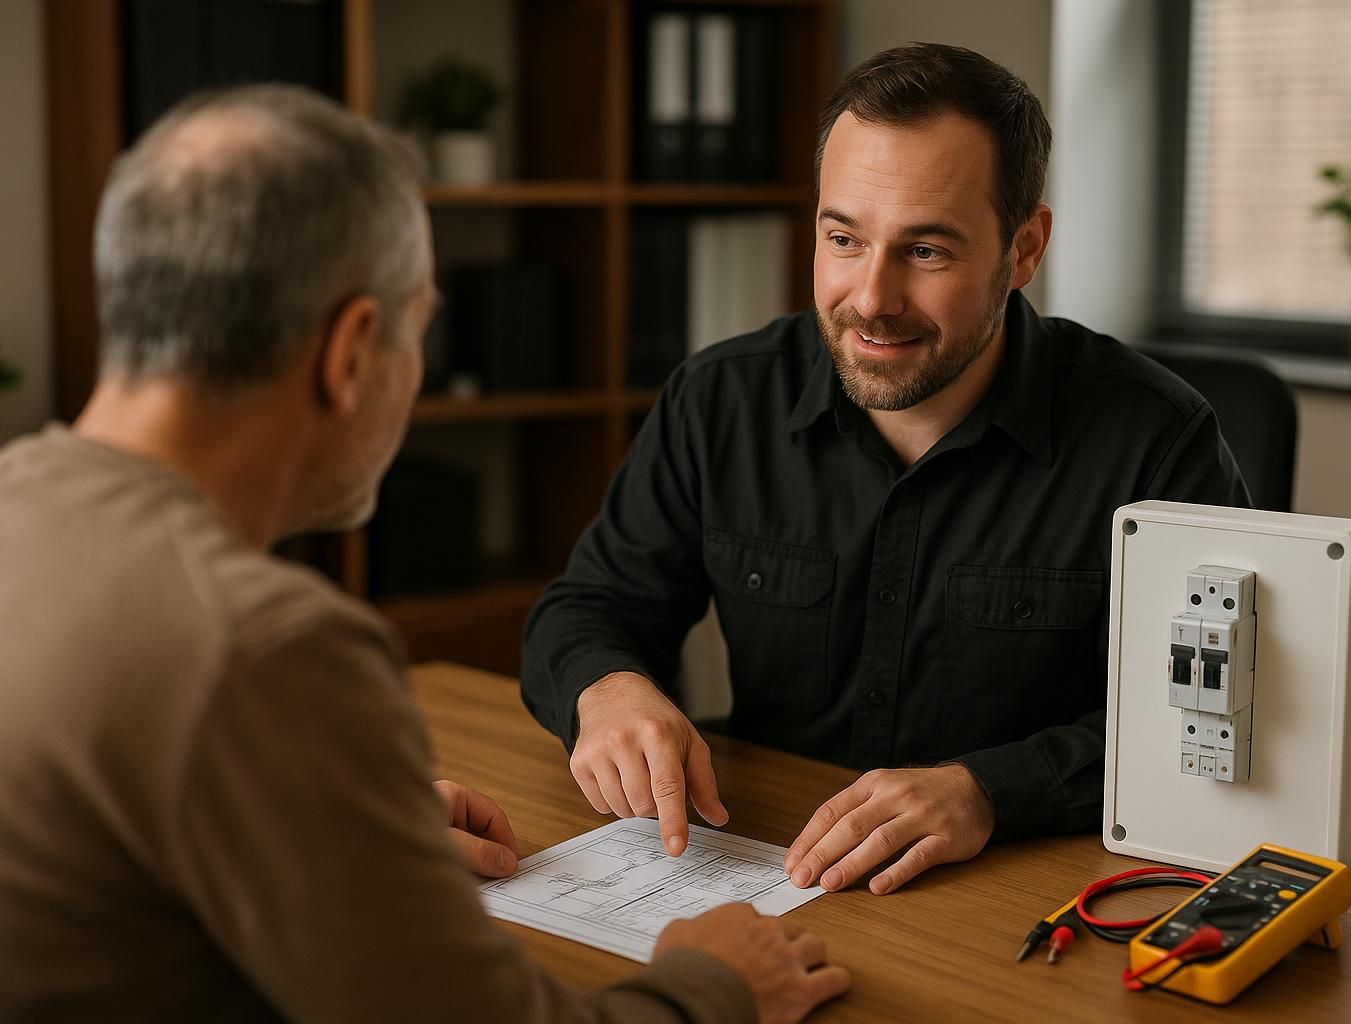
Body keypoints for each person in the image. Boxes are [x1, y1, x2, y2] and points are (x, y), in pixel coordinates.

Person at [0, 85, 847, 1024]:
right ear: (350, 352)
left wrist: (322, 821)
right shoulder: (268, 646)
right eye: (417, 330)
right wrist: (710, 983)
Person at [521, 44, 1250, 896]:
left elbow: (1206, 727)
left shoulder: (1157, 440)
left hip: (1029, 892)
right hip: (766, 871)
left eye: (927, 251)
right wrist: (606, 691)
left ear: (1023, 249)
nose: (871, 297)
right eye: (843, 238)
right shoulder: (720, 399)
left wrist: (989, 792)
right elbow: (589, 604)